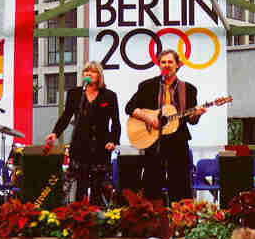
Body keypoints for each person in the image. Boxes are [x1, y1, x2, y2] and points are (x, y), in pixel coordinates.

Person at [125, 49, 206, 203]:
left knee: (180, 185)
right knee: (151, 184)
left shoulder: (188, 89)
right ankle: (153, 222)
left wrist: (197, 114)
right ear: (159, 65)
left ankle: (181, 221)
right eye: (163, 62)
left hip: (178, 141)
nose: (166, 65)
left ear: (177, 65)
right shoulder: (147, 86)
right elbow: (129, 108)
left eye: (170, 62)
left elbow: (191, 120)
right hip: (154, 142)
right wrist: (148, 117)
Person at [45, 61, 121, 206]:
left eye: (92, 72)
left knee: (97, 188)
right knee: (81, 186)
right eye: (86, 71)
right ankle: (79, 220)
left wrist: (113, 140)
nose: (88, 74)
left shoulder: (109, 96)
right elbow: (66, 116)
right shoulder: (75, 93)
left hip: (101, 146)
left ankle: (96, 220)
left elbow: (116, 122)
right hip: (80, 146)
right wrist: (55, 133)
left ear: (99, 76)